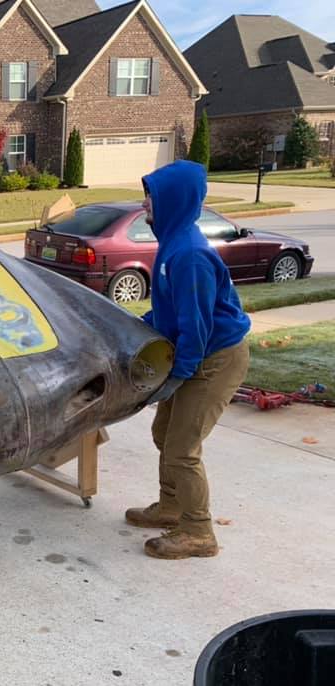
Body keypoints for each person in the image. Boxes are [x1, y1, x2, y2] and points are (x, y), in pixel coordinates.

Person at [126, 160, 251, 560]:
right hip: (197, 350)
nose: (146, 203)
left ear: (174, 200)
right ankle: (171, 507)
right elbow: (172, 314)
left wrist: (176, 378)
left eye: (152, 196)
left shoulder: (189, 255)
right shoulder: (174, 241)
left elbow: (195, 329)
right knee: (164, 434)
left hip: (216, 358)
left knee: (182, 447)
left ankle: (199, 532)